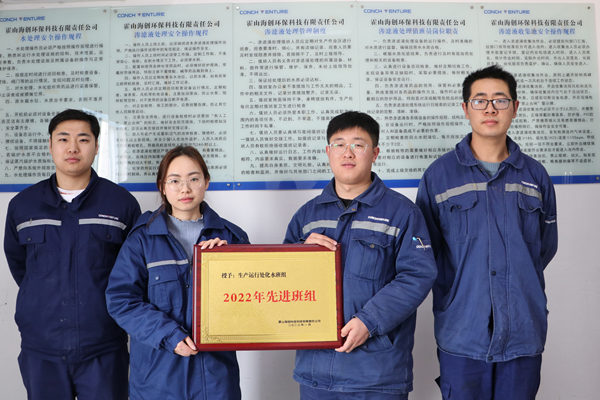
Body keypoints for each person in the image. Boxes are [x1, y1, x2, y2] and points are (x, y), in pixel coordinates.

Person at [415, 65, 559, 400]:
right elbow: (426, 253)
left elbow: (544, 247)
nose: (490, 109)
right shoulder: (438, 176)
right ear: (465, 109)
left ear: (515, 107)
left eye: (500, 100)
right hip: (462, 330)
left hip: (522, 328)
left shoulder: (536, 176)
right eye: (480, 100)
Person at [284, 111, 437, 399]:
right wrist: (299, 253)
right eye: (339, 144)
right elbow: (283, 280)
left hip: (377, 374)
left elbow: (417, 275)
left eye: (358, 144)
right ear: (328, 152)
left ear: (375, 153)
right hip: (315, 372)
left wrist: (369, 320)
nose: (348, 153)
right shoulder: (307, 216)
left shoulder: (403, 213)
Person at [3, 109, 141, 400]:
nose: (73, 148)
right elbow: (20, 265)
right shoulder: (23, 205)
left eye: (83, 139)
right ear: (50, 145)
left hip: (104, 347)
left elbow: (132, 272)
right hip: (42, 347)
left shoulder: (121, 204)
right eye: (63, 139)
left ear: (97, 146)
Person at [106, 145, 249, 400]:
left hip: (215, 381)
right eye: (174, 181)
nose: (185, 189)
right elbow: (121, 300)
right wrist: (169, 336)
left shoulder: (232, 238)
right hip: (157, 379)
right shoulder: (141, 240)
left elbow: (253, 304)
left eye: (193, 179)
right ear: (162, 186)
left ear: (206, 182)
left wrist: (229, 264)